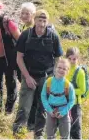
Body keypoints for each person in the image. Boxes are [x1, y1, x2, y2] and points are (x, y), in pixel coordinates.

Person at [13, 10, 63, 139]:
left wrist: (55, 78)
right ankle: (17, 133)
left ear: (47, 22)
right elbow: (19, 58)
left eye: (44, 21)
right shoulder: (26, 35)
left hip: (46, 77)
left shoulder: (53, 37)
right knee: (24, 107)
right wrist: (27, 77)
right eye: (39, 20)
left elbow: (58, 58)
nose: (41, 24)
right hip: (29, 75)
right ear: (34, 20)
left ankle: (38, 134)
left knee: (43, 108)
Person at [41, 58, 75, 139]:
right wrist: (49, 110)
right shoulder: (48, 82)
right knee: (50, 136)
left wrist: (63, 112)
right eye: (59, 67)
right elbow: (43, 96)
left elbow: (72, 100)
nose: (61, 70)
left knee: (65, 136)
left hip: (64, 112)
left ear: (67, 71)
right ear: (55, 68)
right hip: (50, 111)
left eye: (64, 69)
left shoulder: (68, 85)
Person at [18, 2, 39, 131]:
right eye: (23, 13)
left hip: (32, 69)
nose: (24, 16)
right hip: (25, 67)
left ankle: (30, 125)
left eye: (27, 13)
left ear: (33, 15)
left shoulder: (32, 30)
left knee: (31, 97)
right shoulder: (25, 27)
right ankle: (30, 125)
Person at [66, 47, 86, 139]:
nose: (71, 61)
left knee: (76, 128)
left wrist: (69, 90)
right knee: (65, 128)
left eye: (74, 59)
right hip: (64, 104)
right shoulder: (64, 69)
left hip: (75, 104)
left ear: (77, 59)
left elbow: (82, 90)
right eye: (69, 59)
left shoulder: (80, 72)